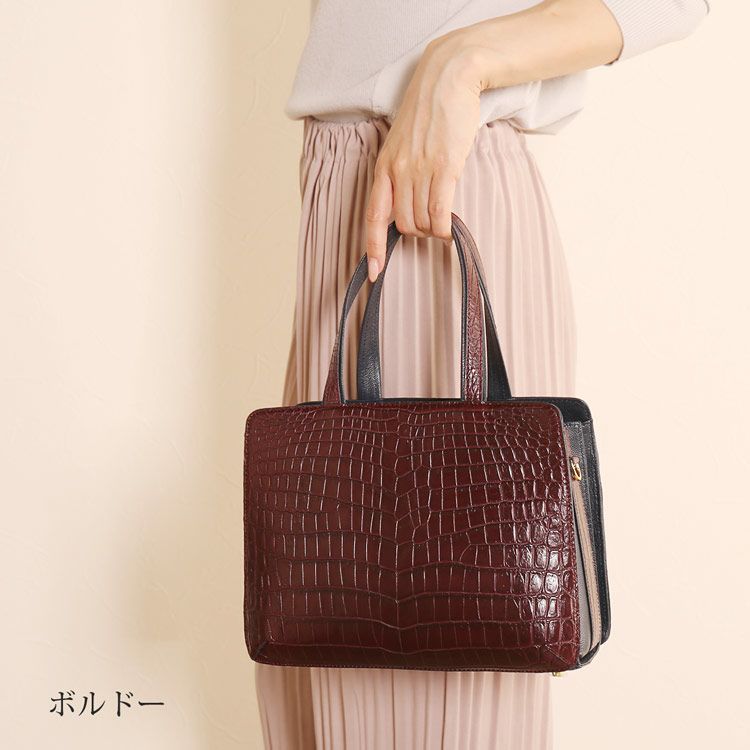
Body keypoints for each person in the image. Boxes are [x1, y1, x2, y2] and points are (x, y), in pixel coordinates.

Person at [255, 1, 709, 748]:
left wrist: (462, 61)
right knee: (321, 642)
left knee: (428, 653)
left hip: (436, 174)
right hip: (340, 183)